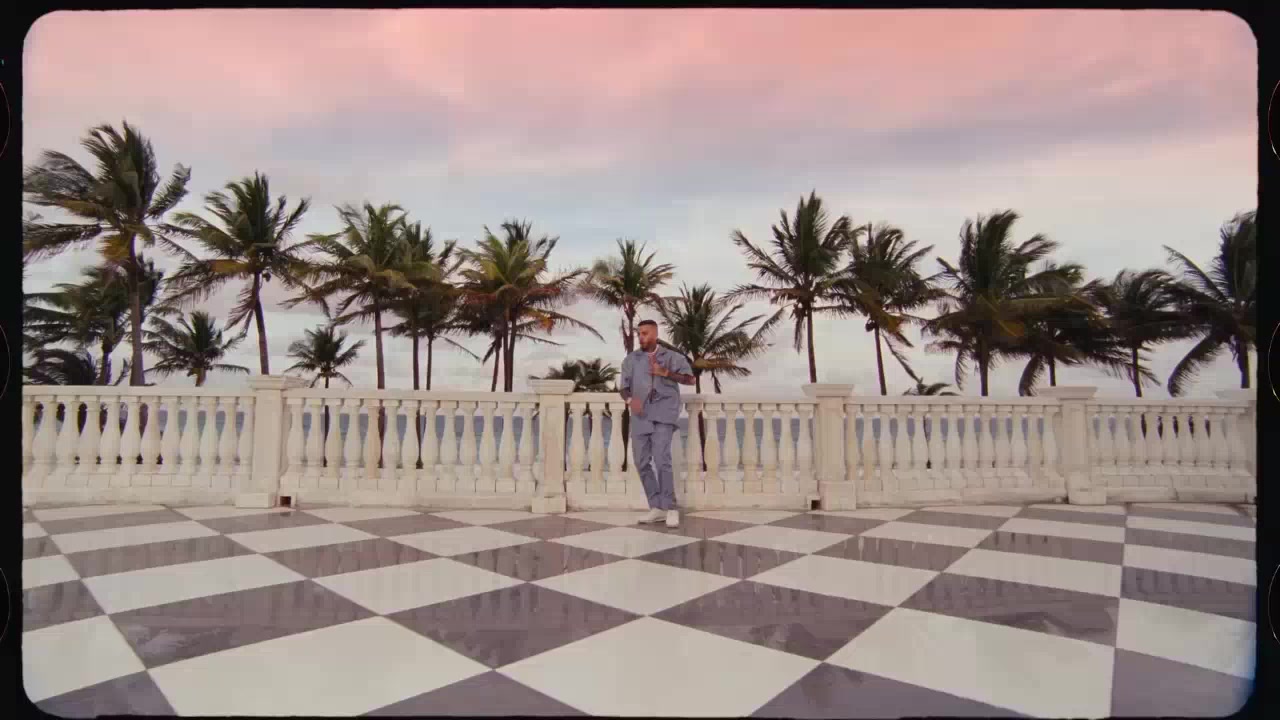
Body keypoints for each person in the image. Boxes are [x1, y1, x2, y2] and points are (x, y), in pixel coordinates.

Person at [619, 319, 695, 528]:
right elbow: (623, 388)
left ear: (655, 334)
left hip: (664, 414)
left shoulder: (672, 357)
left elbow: (691, 380)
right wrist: (630, 400)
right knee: (641, 462)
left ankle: (670, 507)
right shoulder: (631, 360)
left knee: (662, 460)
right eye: (639, 333)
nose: (641, 337)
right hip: (640, 415)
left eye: (645, 333)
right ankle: (656, 507)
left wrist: (666, 373)